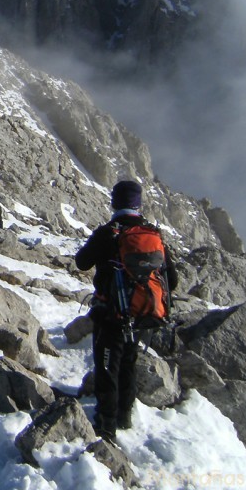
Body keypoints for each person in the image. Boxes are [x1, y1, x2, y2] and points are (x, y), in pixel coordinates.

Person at [74, 179, 177, 443]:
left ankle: (106, 428)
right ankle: (124, 416)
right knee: (128, 363)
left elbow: (82, 262)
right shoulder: (153, 235)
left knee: (107, 366)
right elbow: (172, 279)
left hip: (110, 314)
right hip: (142, 314)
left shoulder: (109, 232)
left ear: (115, 202)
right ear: (138, 203)